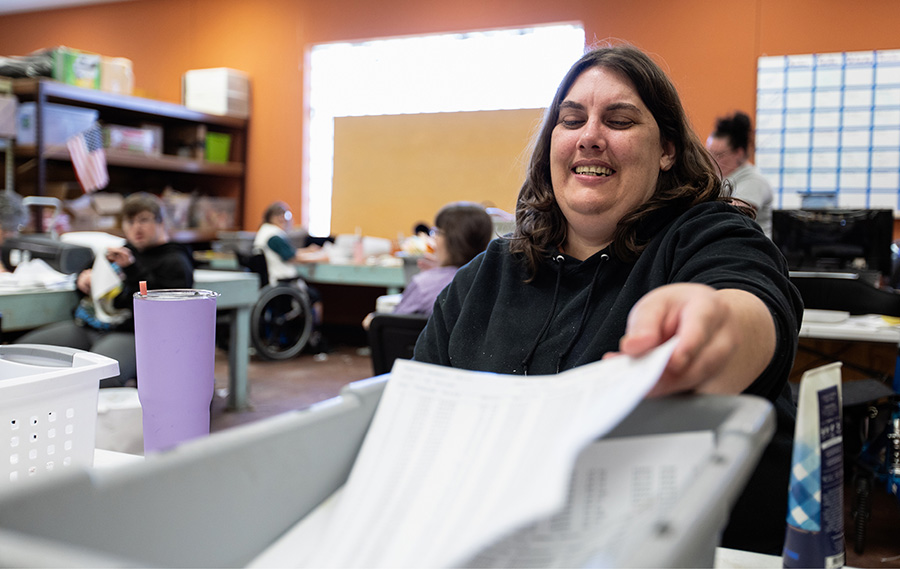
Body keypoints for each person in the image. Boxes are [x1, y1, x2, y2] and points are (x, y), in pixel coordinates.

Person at [413, 44, 802, 555]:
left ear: (666, 149)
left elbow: (752, 301)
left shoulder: (707, 235)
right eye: (571, 120)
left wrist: (712, 329)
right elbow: (414, 425)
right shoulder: (486, 276)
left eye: (618, 120)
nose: (590, 137)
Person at [16, 192, 194, 387]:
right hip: (89, 326)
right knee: (20, 355)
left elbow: (160, 310)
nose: (136, 228)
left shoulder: (175, 261)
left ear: (161, 222)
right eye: (130, 221)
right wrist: (83, 280)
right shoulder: (120, 251)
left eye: (144, 220)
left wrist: (132, 270)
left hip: (133, 333)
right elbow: (89, 287)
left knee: (97, 377)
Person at [362, 202, 493, 329]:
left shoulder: (425, 284)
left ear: (450, 239)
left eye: (437, 232)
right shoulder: (492, 281)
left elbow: (391, 326)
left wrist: (373, 321)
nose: (434, 239)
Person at [253, 201, 327, 349]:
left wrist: (308, 251)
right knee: (315, 296)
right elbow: (292, 258)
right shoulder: (273, 235)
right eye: (282, 216)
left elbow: (289, 252)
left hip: (273, 281)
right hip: (283, 282)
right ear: (274, 218)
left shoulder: (266, 232)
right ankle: (314, 337)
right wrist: (321, 257)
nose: (285, 221)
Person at [707, 111, 774, 238]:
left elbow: (732, 217)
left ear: (739, 152)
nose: (711, 160)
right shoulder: (719, 178)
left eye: (718, 155)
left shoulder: (754, 181)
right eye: (709, 153)